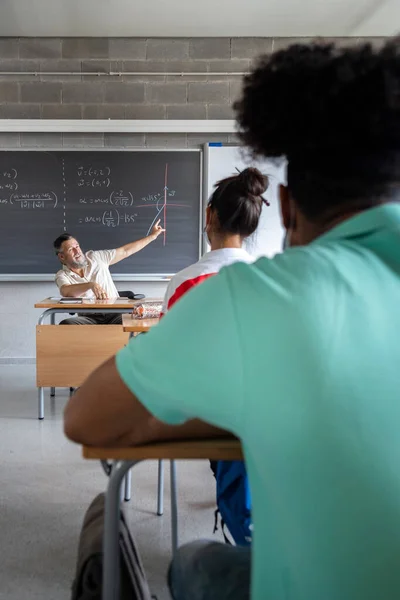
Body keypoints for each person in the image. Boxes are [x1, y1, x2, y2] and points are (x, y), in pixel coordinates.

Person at [64, 38, 400, 600]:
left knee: (194, 561)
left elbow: (87, 419)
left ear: (287, 207)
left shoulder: (251, 295)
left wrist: (252, 406)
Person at [162, 167, 268, 316]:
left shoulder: (183, 284)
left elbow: (170, 339)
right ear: (250, 225)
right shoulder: (268, 282)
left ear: (208, 215)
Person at [54, 220, 164, 325]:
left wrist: (152, 236)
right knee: (67, 324)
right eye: (71, 249)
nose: (77, 251)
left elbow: (125, 251)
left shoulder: (96, 257)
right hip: (89, 318)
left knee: (132, 321)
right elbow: (65, 291)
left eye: (77, 246)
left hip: (115, 312)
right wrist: (90, 285)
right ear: (62, 256)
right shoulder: (62, 275)